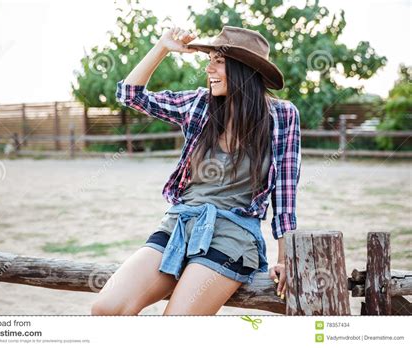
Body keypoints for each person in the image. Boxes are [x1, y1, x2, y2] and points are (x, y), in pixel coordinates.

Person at [91, 25, 301, 315]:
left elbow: (286, 193)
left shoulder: (282, 116)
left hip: (233, 235)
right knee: (107, 309)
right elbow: (130, 95)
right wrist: (162, 47)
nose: (208, 68)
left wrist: (285, 258)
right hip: (180, 224)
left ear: (243, 69)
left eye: (218, 61)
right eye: (209, 60)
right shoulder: (199, 104)